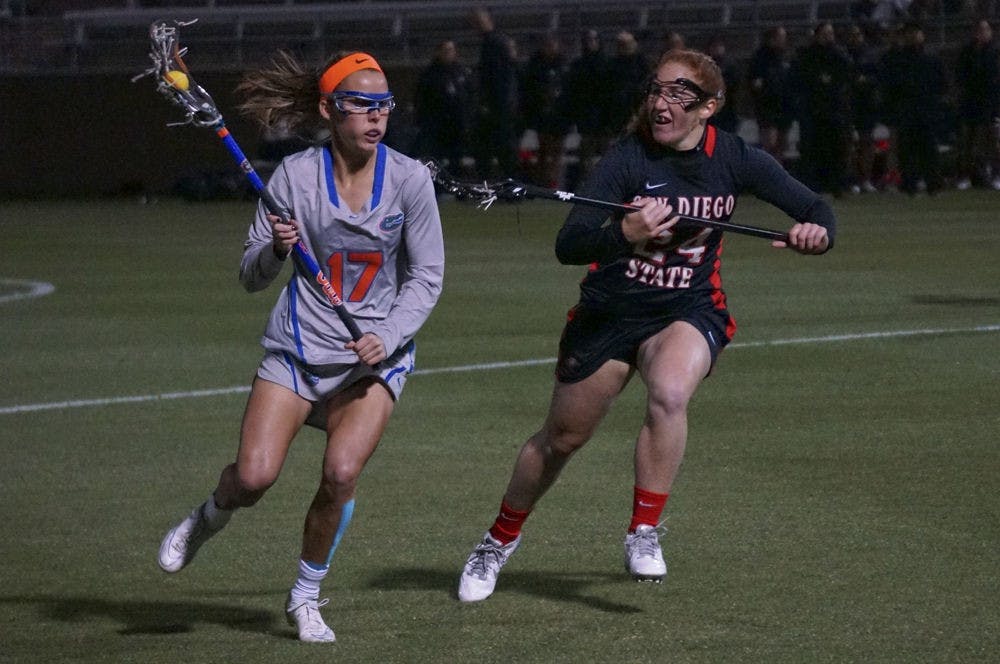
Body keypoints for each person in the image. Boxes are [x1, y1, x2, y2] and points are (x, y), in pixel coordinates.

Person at [457, 48, 836, 603]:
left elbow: (815, 208)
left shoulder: (734, 158)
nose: (661, 103)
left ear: (709, 107)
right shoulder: (626, 160)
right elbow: (569, 244)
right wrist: (625, 232)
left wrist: (816, 234)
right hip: (611, 313)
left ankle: (644, 530)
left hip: (686, 308)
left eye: (678, 95)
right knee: (562, 438)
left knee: (670, 393)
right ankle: (497, 540)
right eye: (656, 90)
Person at [156, 50, 445, 643]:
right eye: (360, 105)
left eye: (383, 105)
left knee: (341, 472)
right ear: (329, 110)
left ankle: (306, 595)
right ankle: (210, 514)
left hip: (372, 362)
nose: (375, 117)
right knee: (254, 479)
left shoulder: (412, 180)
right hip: (296, 351)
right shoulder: (292, 178)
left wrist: (385, 336)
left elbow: (427, 278)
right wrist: (276, 249)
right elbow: (251, 275)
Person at [791, 22, 854, 195]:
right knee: (813, 149)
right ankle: (814, 185)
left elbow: (846, 77)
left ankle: (837, 185)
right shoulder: (807, 56)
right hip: (813, 111)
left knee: (836, 148)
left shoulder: (839, 55)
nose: (828, 37)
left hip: (834, 111)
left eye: (830, 33)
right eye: (825, 33)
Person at [471, 8, 522, 179]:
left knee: (498, 146)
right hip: (501, 105)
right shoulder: (497, 41)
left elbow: (495, 76)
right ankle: (509, 182)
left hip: (498, 106)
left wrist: (488, 101)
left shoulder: (493, 43)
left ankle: (505, 182)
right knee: (502, 146)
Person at [414, 39, 473, 174]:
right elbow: (422, 99)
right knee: (436, 158)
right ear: (438, 52)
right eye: (446, 50)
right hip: (437, 124)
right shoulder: (430, 75)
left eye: (451, 50)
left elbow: (470, 95)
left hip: (457, 124)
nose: (449, 53)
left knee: (456, 158)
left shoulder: (461, 72)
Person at [954, 19, 1000, 190]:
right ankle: (966, 176)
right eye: (979, 29)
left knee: (994, 140)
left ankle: (996, 175)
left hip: (992, 102)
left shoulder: (995, 52)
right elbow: (960, 77)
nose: (982, 33)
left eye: (985, 29)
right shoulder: (967, 52)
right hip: (970, 102)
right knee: (967, 142)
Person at [522, 31, 571, 188]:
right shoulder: (536, 66)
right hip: (542, 114)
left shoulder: (564, 65)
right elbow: (530, 90)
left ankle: (554, 182)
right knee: (543, 150)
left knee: (557, 150)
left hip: (560, 115)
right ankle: (542, 181)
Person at [565, 28, 611, 189]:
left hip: (604, 116)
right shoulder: (579, 65)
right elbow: (573, 91)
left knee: (608, 154)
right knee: (586, 155)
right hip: (586, 116)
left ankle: (609, 185)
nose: (591, 43)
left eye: (594, 40)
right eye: (588, 40)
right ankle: (590, 186)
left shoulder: (606, 64)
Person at [748, 26, 795, 165]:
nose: (782, 40)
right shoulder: (760, 58)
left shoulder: (786, 57)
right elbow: (754, 83)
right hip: (767, 108)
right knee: (770, 144)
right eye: (779, 37)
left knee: (782, 145)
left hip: (784, 107)